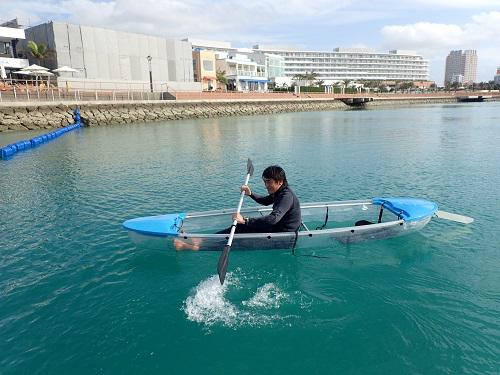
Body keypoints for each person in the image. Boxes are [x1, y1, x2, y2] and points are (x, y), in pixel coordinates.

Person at [219, 165, 301, 234]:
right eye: (265, 182)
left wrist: (246, 220)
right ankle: (211, 239)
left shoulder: (286, 196)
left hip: (283, 233)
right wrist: (250, 194)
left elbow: (273, 219)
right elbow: (265, 201)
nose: (266, 185)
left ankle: (209, 241)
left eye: (269, 182)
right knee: (241, 226)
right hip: (278, 226)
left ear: (280, 182)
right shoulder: (279, 192)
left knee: (241, 227)